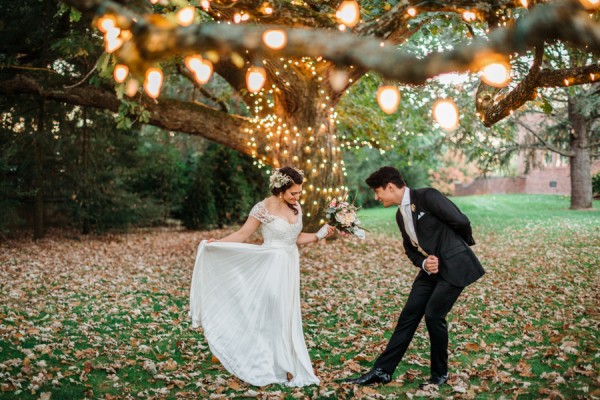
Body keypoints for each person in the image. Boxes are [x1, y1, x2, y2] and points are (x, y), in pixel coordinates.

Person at [189, 166, 334, 387]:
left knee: (286, 312)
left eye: (299, 193)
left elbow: (294, 238)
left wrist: (320, 234)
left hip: (289, 264)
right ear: (280, 189)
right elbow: (243, 234)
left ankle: (285, 361)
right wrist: (216, 243)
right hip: (269, 264)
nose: (297, 197)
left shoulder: (296, 207)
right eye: (293, 193)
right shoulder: (262, 208)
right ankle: (266, 363)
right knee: (272, 308)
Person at [345, 166, 484, 388]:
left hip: (455, 266)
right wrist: (423, 262)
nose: (376, 196)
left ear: (390, 187)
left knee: (433, 315)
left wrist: (453, 250)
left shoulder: (427, 196)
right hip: (429, 270)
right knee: (408, 315)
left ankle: (439, 375)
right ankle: (382, 371)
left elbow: (461, 221)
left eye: (377, 191)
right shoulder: (400, 215)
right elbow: (410, 250)